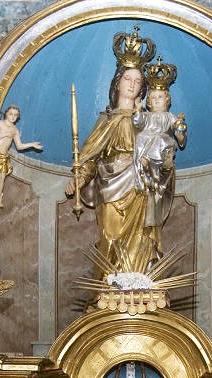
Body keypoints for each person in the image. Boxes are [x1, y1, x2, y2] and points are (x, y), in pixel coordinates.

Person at [65, 30, 167, 275]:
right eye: (127, 79)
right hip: (112, 184)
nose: (132, 85)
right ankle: (107, 290)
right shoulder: (107, 120)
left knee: (143, 237)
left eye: (138, 82)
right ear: (117, 82)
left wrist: (163, 165)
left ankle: (139, 284)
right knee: (110, 238)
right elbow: (90, 157)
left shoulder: (147, 122)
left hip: (141, 187)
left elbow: (162, 155)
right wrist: (79, 179)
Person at [133, 75, 186, 230]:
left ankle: (151, 165)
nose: (156, 100)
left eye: (160, 97)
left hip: (164, 145)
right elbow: (136, 124)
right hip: (148, 145)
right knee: (140, 137)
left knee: (159, 139)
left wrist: (180, 131)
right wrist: (137, 110)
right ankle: (142, 170)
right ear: (148, 101)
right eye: (153, 97)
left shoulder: (169, 116)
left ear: (167, 100)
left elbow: (179, 133)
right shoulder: (147, 116)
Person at [0, 106, 43, 209]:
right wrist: (6, 133)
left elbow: (19, 146)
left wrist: (32, 144)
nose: (13, 117)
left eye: (15, 115)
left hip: (3, 157)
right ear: (6, 114)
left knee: (2, 177)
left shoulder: (15, 130)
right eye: (10, 114)